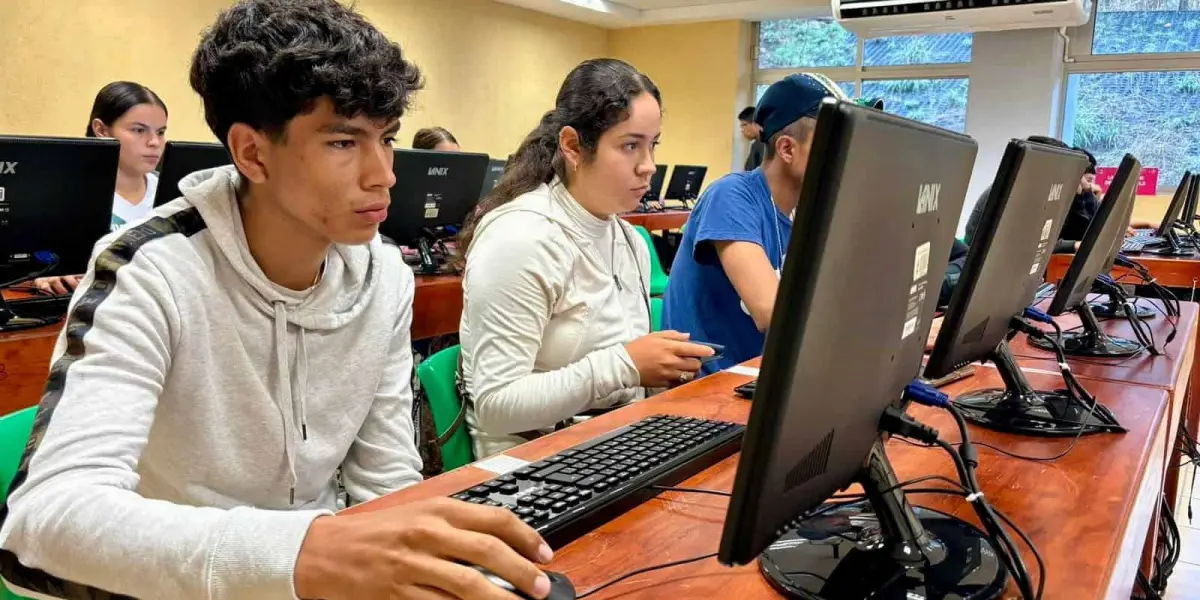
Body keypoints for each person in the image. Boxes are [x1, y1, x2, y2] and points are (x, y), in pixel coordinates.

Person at [0, 2, 555, 600]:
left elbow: (385, 480)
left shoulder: (383, 278)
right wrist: (301, 551)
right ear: (252, 153)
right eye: (344, 141)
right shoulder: (148, 269)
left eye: (386, 139)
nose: (383, 175)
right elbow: (48, 517)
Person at [457, 58, 714, 458]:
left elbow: (622, 375)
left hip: (613, 443)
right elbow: (496, 406)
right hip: (531, 460)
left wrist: (661, 371)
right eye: (630, 145)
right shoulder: (520, 237)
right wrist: (626, 366)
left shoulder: (627, 237)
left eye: (653, 145)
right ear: (573, 146)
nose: (648, 167)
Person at [662, 73, 846, 375]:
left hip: (764, 381)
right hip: (708, 392)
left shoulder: (807, 215)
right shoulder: (732, 195)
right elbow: (773, 314)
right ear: (787, 149)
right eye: (835, 141)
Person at [32, 81, 169, 295]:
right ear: (101, 130)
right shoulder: (63, 193)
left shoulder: (174, 192)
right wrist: (45, 274)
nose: (154, 142)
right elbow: (36, 257)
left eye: (160, 132)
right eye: (139, 130)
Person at [963, 137, 1153, 253]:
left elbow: (1080, 230)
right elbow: (1030, 244)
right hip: (987, 266)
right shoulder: (1015, 192)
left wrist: (1084, 195)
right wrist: (1075, 245)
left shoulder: (1040, 190)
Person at [739, 106, 766, 171]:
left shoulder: (759, 145)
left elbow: (750, 175)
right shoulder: (761, 143)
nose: (742, 130)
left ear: (755, 123)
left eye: (744, 125)